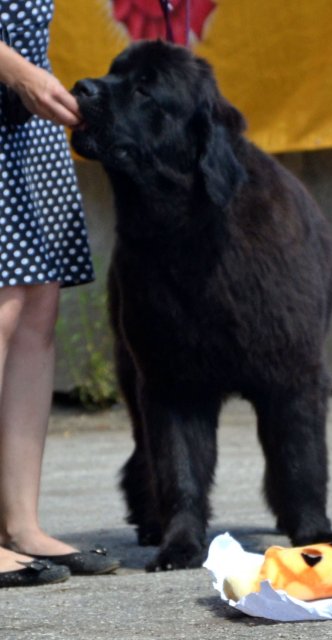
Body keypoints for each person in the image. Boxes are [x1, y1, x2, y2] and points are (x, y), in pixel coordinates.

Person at [0, 1, 119, 586]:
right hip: (16, 81)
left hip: (23, 113)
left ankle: (21, 523)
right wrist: (16, 70)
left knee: (38, 305)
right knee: (0, 310)